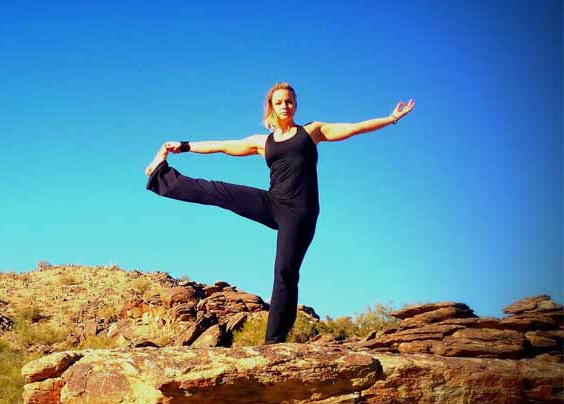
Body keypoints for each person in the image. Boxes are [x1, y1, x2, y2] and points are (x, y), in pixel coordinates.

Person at [144, 82, 415, 344]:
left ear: (295, 104)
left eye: (289, 101)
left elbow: (353, 128)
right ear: (271, 107)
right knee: (219, 191)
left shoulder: (312, 131)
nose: (285, 105)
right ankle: (161, 178)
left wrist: (391, 118)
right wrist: (185, 145)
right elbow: (223, 146)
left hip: (300, 212)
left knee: (285, 271)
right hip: (273, 202)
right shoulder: (264, 142)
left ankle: (274, 342)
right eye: (279, 102)